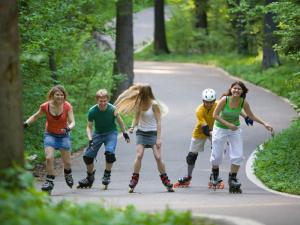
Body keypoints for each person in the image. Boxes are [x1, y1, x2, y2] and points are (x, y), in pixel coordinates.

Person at [173, 88, 253, 188]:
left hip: (217, 129)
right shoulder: (199, 110)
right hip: (201, 131)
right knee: (191, 156)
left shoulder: (219, 103)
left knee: (217, 152)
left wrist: (246, 117)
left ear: (214, 100)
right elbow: (206, 129)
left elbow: (234, 108)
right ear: (203, 101)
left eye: (211, 102)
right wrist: (220, 136)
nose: (209, 104)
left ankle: (214, 176)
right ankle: (188, 177)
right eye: (207, 102)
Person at [210, 81, 273, 193]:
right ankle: (214, 175)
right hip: (220, 128)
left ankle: (232, 178)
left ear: (242, 91)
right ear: (231, 89)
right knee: (216, 155)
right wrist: (228, 125)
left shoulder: (243, 102)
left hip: (235, 129)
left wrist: (265, 123)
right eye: (235, 88)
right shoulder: (225, 99)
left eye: (239, 89)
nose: (236, 90)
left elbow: (251, 115)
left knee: (238, 155)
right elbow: (214, 115)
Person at [114, 83, 174, 193]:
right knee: (139, 154)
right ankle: (134, 179)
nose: (140, 96)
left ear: (147, 94)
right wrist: (132, 127)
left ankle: (166, 180)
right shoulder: (140, 103)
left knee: (158, 157)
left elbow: (159, 122)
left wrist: (158, 138)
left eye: (142, 94)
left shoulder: (154, 104)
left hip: (153, 133)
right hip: (141, 133)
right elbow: (136, 117)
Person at [24, 85, 75, 194]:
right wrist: (26, 124)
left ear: (64, 96)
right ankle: (49, 181)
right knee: (49, 158)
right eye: (57, 94)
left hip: (64, 136)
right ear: (52, 95)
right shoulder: (45, 106)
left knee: (67, 162)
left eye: (62, 95)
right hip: (50, 134)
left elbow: (72, 122)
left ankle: (68, 173)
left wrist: (68, 128)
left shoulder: (67, 106)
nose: (60, 97)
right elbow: (35, 116)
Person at [77, 89, 130, 190]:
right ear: (97, 100)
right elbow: (89, 127)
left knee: (109, 153)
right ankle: (89, 177)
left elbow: (120, 122)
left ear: (108, 100)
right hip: (98, 134)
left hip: (111, 134)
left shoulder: (112, 109)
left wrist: (124, 133)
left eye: (105, 101)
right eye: (100, 101)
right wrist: (90, 139)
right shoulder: (92, 111)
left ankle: (107, 175)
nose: (103, 103)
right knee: (87, 157)